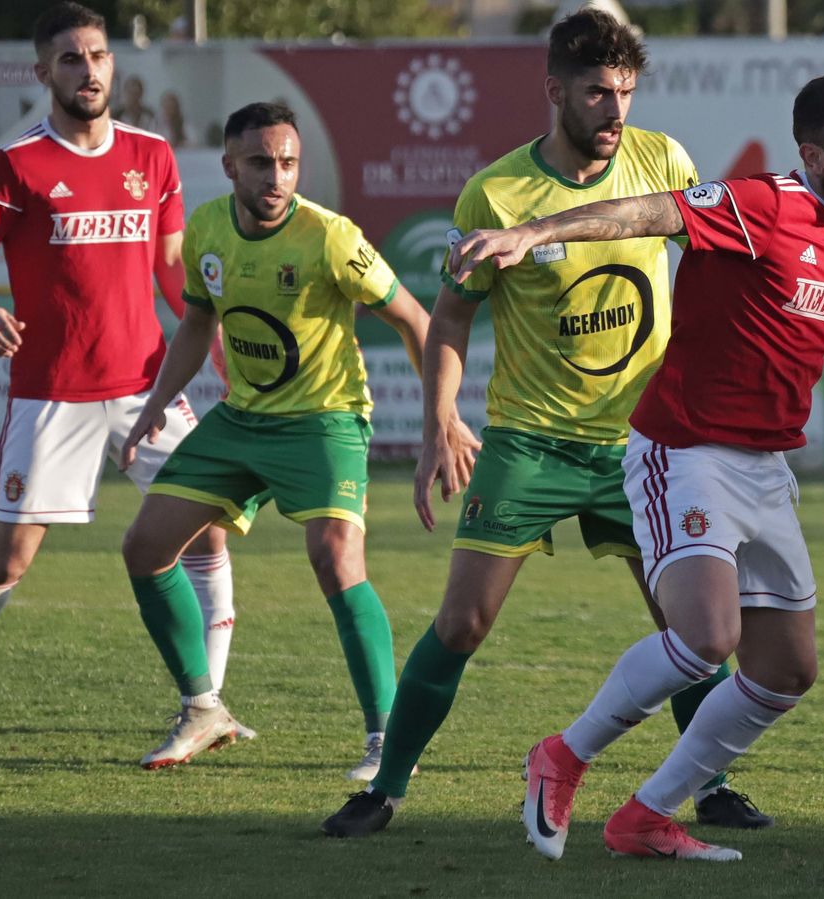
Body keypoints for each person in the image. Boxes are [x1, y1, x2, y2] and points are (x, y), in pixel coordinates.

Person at [450, 72, 824, 861]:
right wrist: (535, 233)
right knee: (708, 633)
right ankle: (562, 757)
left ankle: (647, 813)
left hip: (765, 470)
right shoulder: (764, 202)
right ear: (812, 154)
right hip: (686, 450)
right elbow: (653, 213)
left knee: (785, 670)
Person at [319, 8, 771, 843]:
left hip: (645, 444)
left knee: (690, 629)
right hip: (529, 445)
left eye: (627, 92)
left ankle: (710, 787)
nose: (615, 111)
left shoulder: (661, 160)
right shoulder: (496, 193)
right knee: (461, 623)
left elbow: (708, 264)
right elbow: (450, 318)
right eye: (598, 92)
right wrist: (440, 421)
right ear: (555, 90)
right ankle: (386, 788)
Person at [0, 2, 241, 737]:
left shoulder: (153, 157)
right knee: (6, 558)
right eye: (71, 60)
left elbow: (174, 267)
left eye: (97, 56)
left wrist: (212, 332)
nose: (88, 71)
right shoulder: (15, 165)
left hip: (148, 385)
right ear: (43, 73)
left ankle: (205, 702)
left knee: (207, 527)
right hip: (51, 395)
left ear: (112, 64)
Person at [116, 101, 472, 775]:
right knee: (144, 546)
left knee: (335, 554)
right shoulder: (208, 231)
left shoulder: (330, 236)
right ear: (229, 168)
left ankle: (387, 738)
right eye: (260, 163)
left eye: (288, 163)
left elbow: (416, 320)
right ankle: (202, 707)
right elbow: (198, 325)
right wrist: (154, 406)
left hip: (325, 418)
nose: (277, 177)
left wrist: (442, 421)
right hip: (243, 417)